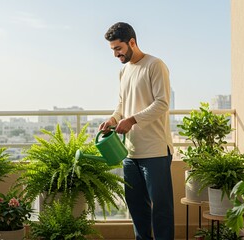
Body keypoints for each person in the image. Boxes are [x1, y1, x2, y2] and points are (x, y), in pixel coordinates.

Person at [99, 22, 174, 240]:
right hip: (129, 152)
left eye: (118, 48)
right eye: (113, 49)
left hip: (155, 151)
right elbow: (122, 104)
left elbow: (162, 103)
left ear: (132, 42)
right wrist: (113, 119)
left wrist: (132, 120)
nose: (115, 54)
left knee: (161, 209)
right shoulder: (124, 71)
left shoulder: (155, 65)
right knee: (137, 209)